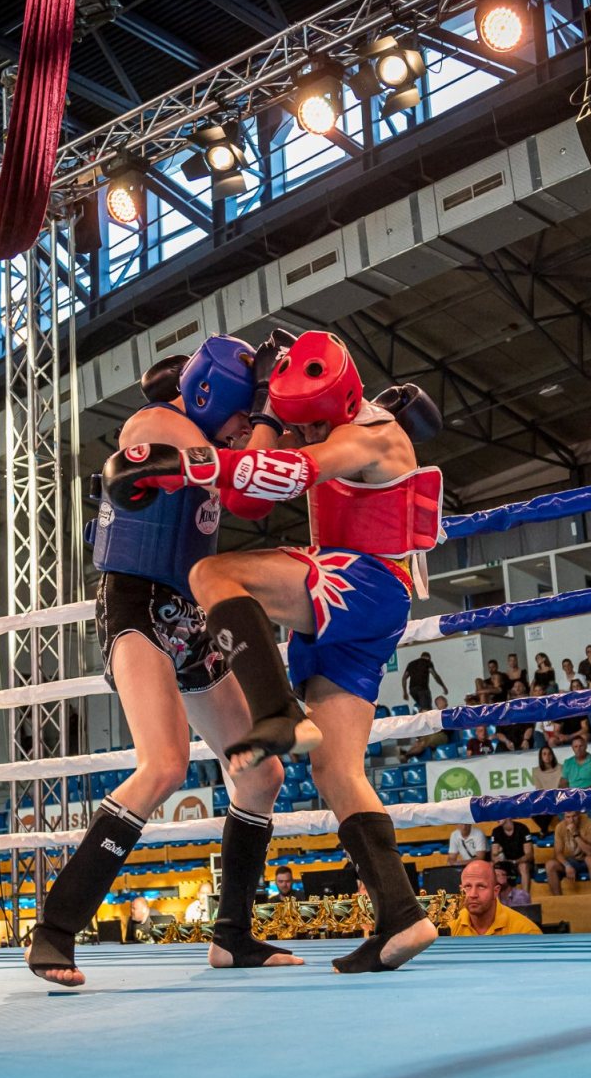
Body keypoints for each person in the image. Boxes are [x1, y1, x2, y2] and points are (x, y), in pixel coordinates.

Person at [118, 330, 443, 974]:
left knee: (214, 575)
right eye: (300, 422)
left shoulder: (369, 435)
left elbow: (284, 474)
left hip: (365, 584)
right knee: (336, 770)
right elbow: (250, 485)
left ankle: (277, 712)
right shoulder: (327, 424)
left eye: (311, 421)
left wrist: (187, 462)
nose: (306, 432)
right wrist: (230, 408)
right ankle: (403, 916)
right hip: (355, 609)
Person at [27, 336, 299, 987]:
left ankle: (232, 936)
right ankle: (55, 930)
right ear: (211, 396)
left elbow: (258, 475)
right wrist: (264, 413)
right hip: (135, 603)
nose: (244, 430)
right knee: (165, 764)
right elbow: (233, 475)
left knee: (261, 773)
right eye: (241, 416)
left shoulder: (215, 440)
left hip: (190, 614)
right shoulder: (158, 424)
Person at [448, 860, 540, 937]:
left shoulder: (526, 931)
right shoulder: (449, 926)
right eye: (467, 886)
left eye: (481, 886)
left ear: (495, 891)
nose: (473, 894)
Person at [545, 811, 591, 893]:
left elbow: (590, 852)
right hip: (572, 860)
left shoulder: (590, 823)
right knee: (550, 865)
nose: (571, 820)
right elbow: (558, 853)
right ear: (564, 817)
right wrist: (567, 865)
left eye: (574, 816)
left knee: (590, 859)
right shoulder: (560, 827)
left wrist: (575, 834)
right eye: (568, 817)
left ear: (579, 815)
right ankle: (558, 899)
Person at [490, 818, 535, 894]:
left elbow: (529, 855)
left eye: (499, 815)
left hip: (521, 862)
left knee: (523, 866)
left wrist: (515, 861)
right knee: (491, 866)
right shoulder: (496, 831)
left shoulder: (522, 828)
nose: (497, 818)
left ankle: (525, 897)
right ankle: (496, 897)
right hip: (506, 864)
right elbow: (494, 855)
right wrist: (497, 857)